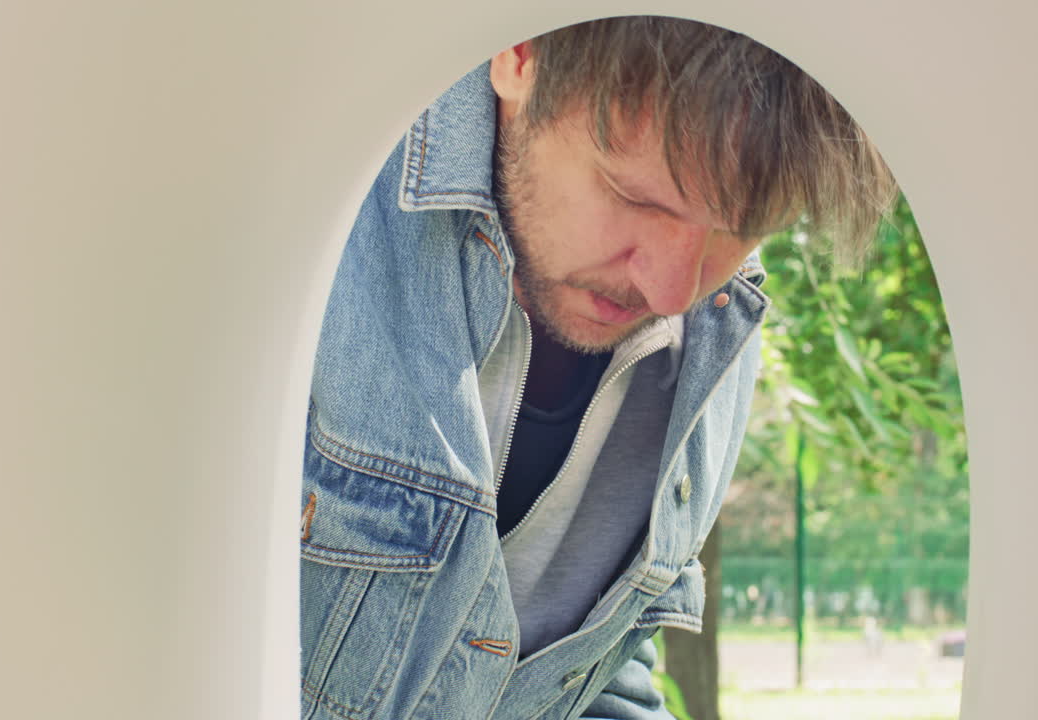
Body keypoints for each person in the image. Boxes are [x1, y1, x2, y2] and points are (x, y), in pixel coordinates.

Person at [299, 16, 894, 720]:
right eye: (634, 198)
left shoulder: (717, 323)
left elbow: (583, 672)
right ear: (520, 53)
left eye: (739, 232)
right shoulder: (316, 215)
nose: (670, 292)